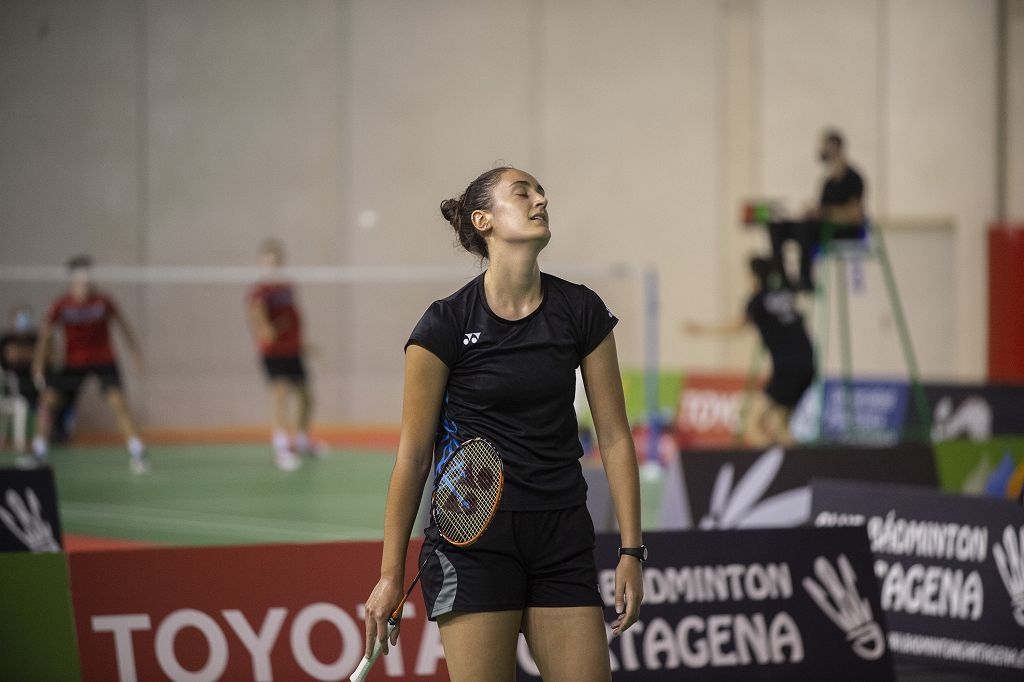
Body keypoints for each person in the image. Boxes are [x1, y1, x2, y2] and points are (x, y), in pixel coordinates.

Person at [361, 167, 644, 681]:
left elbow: (616, 438)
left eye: (540, 192)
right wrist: (389, 575)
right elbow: (413, 457)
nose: (542, 199)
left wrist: (631, 550)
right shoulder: (444, 325)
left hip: (561, 532)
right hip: (474, 541)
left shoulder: (580, 311)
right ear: (483, 220)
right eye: (524, 192)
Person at [29, 255, 148, 472]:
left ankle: (137, 451)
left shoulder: (103, 301)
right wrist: (37, 363)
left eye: (88, 273)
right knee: (47, 402)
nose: (85, 278)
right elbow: (45, 334)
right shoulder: (61, 304)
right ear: (72, 278)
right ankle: (38, 451)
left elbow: (123, 326)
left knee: (118, 403)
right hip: (73, 363)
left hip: (104, 361)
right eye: (81, 273)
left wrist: (135, 353)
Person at [685, 256, 815, 446]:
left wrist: (701, 329)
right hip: (807, 366)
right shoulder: (786, 295)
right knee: (781, 427)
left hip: (787, 370)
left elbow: (738, 326)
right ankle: (798, 469)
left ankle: (781, 471)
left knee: (752, 424)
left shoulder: (758, 301)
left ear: (754, 276)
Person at [246, 238, 318, 471]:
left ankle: (302, 442)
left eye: (276, 260)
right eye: (268, 261)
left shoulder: (287, 287)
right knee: (279, 393)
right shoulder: (259, 291)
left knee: (306, 396)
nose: (273, 265)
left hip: (293, 351)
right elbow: (260, 323)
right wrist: (268, 329)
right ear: (261, 263)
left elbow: (294, 318)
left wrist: (301, 343)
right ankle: (280, 447)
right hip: (273, 353)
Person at [768, 128, 866, 290]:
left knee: (806, 229)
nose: (821, 151)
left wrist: (824, 213)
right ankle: (784, 279)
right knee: (777, 227)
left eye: (824, 146)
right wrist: (813, 212)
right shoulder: (828, 182)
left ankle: (805, 278)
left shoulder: (853, 178)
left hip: (844, 231)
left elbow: (855, 215)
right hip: (821, 226)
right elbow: (822, 210)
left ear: (835, 147)